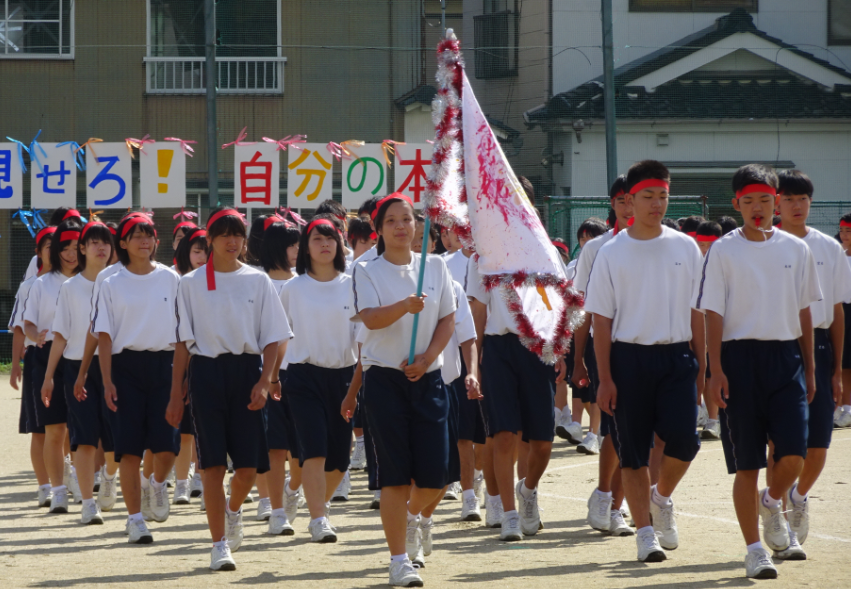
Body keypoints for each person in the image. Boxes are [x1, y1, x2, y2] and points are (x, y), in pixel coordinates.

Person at [697, 164, 821, 579]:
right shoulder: (723, 250)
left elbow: (805, 311)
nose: (757, 207)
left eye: (765, 200)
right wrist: (715, 370)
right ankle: (754, 550)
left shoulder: (796, 249)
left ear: (776, 202)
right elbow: (713, 313)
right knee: (747, 464)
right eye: (748, 200)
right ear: (736, 203)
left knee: (794, 455)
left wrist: (811, 367)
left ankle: (771, 502)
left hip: (786, 359)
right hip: (739, 361)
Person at [586, 160, 705, 563]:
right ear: (630, 200)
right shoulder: (611, 252)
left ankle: (661, 497)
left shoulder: (685, 247)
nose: (657, 204)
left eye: (663, 196)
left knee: (685, 442)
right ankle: (644, 532)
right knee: (633, 452)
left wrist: (703, 367)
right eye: (648, 196)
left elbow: (697, 312)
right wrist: (605, 377)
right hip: (628, 359)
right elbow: (601, 321)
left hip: (677, 357)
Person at [167, 207, 290, 571]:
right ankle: (218, 544)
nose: (232, 241)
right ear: (209, 239)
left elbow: (274, 336)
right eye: (224, 235)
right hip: (206, 373)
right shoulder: (190, 283)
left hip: (247, 372)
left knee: (248, 469)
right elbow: (182, 343)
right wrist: (175, 394)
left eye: (237, 234)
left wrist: (265, 381)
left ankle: (233, 510)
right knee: (212, 466)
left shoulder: (257, 280)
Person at [352, 194, 456, 586]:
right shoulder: (366, 270)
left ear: (417, 225)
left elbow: (447, 318)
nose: (401, 227)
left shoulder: (435, 266)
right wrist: (404, 306)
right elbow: (370, 319)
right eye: (391, 221)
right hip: (384, 381)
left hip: (427, 379)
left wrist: (427, 358)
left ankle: (412, 518)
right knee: (394, 477)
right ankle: (399, 560)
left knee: (436, 477)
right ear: (378, 229)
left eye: (407, 219)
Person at [772, 169, 851, 559]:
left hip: (818, 346)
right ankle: (778, 520)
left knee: (818, 444)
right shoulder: (765, 244)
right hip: (777, 345)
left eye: (802, 198)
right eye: (788, 199)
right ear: (777, 203)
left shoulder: (829, 248)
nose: (796, 205)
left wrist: (836, 370)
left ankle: (798, 496)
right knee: (781, 444)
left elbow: (836, 310)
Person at [466, 242, 566, 542]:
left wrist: (560, 349)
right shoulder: (483, 256)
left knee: (543, 442)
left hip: (538, 348)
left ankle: (528, 490)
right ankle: (509, 515)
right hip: (499, 349)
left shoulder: (545, 251)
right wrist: (475, 363)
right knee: (504, 434)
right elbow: (478, 310)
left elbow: (558, 301)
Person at [93, 214, 181, 544]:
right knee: (128, 450)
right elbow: (103, 335)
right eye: (137, 235)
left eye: (149, 235)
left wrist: (182, 378)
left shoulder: (171, 278)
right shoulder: (111, 283)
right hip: (124, 368)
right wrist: (106, 380)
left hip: (164, 366)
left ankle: (156, 484)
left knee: (167, 446)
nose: (145, 241)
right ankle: (135, 520)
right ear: (124, 243)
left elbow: (183, 332)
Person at [279, 216, 358, 542]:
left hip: (344, 376)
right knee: (314, 450)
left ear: (339, 244)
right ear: (305, 247)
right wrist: (273, 376)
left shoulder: (353, 284)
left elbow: (362, 336)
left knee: (339, 459)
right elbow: (279, 334)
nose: (324, 245)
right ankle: (318, 519)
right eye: (316, 239)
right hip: (303, 376)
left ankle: (309, 499)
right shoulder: (293, 288)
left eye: (330, 239)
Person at [41, 221, 118, 524]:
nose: (101, 248)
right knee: (84, 438)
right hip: (76, 369)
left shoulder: (120, 281)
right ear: (82, 248)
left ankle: (109, 476)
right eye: (94, 242)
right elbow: (60, 335)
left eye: (106, 242)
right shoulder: (70, 288)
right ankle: (88, 503)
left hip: (115, 366)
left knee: (115, 440)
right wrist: (49, 376)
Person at [23, 219, 83, 514]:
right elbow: (28, 323)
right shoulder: (41, 284)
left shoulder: (93, 281)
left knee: (82, 429)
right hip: (46, 357)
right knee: (54, 428)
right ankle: (57, 491)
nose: (71, 254)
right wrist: (36, 335)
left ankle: (83, 483)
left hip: (81, 357)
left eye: (76, 247)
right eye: (65, 248)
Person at [260, 219, 301, 535]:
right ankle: (275, 509)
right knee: (273, 447)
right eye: (292, 245)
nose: (298, 250)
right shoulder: (257, 283)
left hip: (301, 375)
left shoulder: (304, 283)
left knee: (301, 451)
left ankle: (292, 489)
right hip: (265, 376)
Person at [10, 226, 56, 508]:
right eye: (49, 246)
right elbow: (19, 327)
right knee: (40, 429)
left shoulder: (77, 282)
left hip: (70, 359)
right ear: (38, 252)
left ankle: (68, 477)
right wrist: (16, 364)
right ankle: (45, 485)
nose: (57, 251)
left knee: (66, 428)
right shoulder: (29, 286)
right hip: (38, 358)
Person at [171, 227, 209, 506]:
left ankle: (202, 479)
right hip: (180, 360)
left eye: (206, 251)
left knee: (204, 431)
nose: (202, 256)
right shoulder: (177, 282)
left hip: (208, 362)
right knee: (184, 431)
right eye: (197, 251)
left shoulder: (219, 282)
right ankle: (181, 483)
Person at [692, 220, 724, 441]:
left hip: (719, 328)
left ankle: (714, 420)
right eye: (701, 245)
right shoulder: (693, 264)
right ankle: (702, 413)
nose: (704, 250)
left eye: (709, 245)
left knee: (713, 372)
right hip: (696, 326)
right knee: (700, 372)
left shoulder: (725, 263)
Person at [837, 212, 851, 428]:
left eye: (849, 231)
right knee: (844, 362)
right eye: (842, 230)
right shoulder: (838, 256)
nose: (844, 235)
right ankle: (847, 407)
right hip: (843, 311)